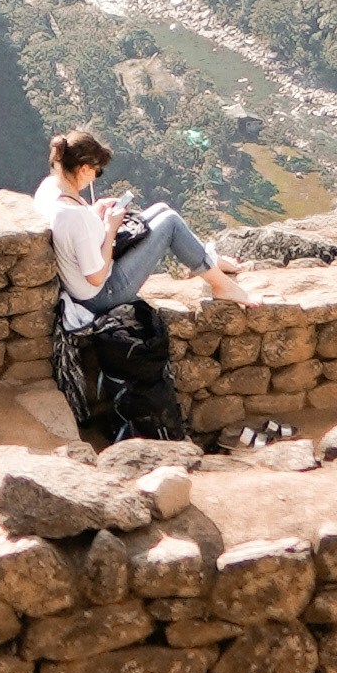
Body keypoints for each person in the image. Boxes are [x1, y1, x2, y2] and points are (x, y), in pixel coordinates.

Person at [38, 122, 240, 452]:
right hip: (101, 295)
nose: (96, 177)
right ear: (85, 168)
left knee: (159, 210)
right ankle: (221, 283)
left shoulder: (51, 190)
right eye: (96, 171)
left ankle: (209, 261)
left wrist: (95, 213)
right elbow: (96, 276)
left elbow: (75, 240)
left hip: (80, 286)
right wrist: (109, 226)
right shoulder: (74, 217)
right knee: (169, 223)